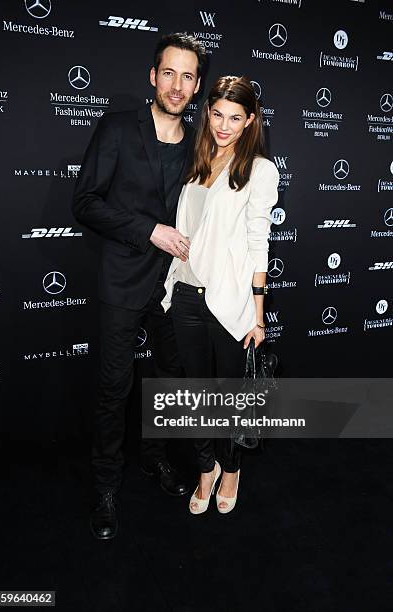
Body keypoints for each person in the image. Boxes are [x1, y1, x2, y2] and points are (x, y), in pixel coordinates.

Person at [72, 33, 206, 539]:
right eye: (168, 73)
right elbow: (85, 201)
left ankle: (155, 459)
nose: (177, 85)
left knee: (168, 381)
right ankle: (107, 485)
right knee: (114, 388)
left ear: (196, 86)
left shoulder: (200, 141)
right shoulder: (117, 128)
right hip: (125, 278)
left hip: (176, 284)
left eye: (188, 76)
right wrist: (148, 230)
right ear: (153, 76)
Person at [161, 76, 279, 514]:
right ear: (206, 112)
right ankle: (205, 468)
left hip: (229, 302)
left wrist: (257, 313)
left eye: (235, 118)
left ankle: (231, 471)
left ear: (250, 121)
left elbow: (258, 244)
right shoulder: (197, 160)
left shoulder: (259, 170)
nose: (224, 126)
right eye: (217, 115)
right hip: (187, 295)